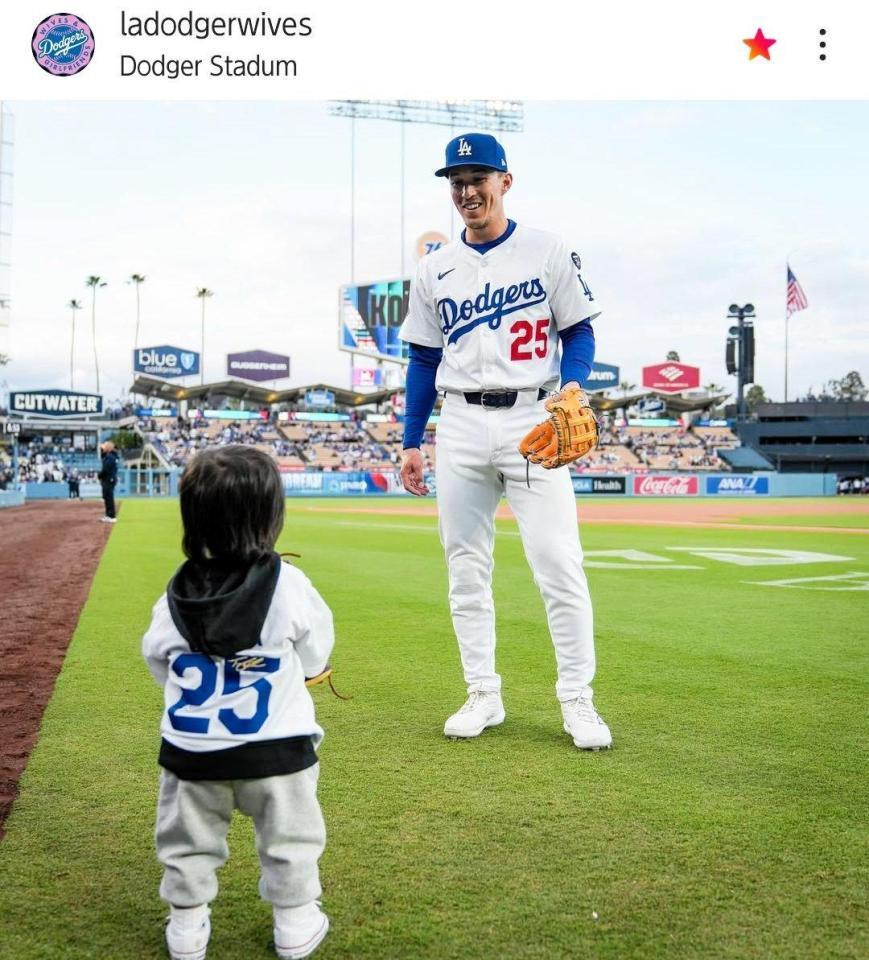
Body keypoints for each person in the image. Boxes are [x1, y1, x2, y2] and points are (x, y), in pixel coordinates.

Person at [399, 133, 612, 751]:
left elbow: (579, 333)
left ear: (505, 181)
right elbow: (421, 360)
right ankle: (482, 693)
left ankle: (578, 699)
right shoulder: (434, 268)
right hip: (461, 423)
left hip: (531, 419)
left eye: (478, 179)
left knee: (558, 563)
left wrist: (571, 390)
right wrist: (412, 441)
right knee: (465, 568)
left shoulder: (546, 249)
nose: (467, 192)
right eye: (456, 182)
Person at [142, 446, 334, 960]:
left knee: (186, 844)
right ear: (270, 516)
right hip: (278, 751)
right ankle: (294, 922)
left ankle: (186, 926)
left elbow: (157, 658)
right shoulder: (289, 586)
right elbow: (317, 651)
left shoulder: (174, 594)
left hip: (191, 752)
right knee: (290, 839)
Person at [97, 440, 119, 522]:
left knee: (109, 498)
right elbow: (103, 457)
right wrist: (102, 449)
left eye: (105, 446)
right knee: (107, 498)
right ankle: (108, 515)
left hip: (108, 479)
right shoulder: (111, 456)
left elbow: (106, 469)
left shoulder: (110, 457)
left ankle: (111, 516)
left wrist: (99, 475)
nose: (103, 447)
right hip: (109, 479)